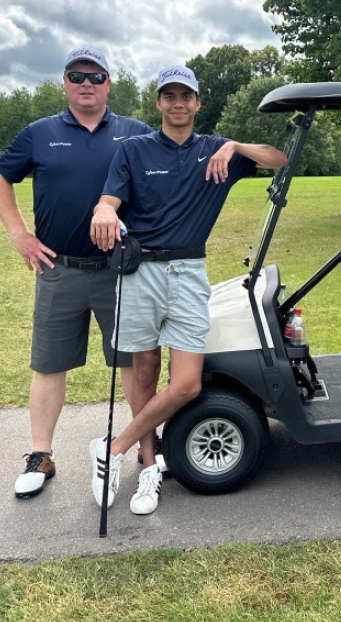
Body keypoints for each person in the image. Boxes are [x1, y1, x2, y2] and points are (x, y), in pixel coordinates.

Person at [88, 64, 287, 515]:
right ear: (158, 103)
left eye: (186, 96)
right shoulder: (134, 150)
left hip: (189, 271)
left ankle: (111, 449)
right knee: (143, 372)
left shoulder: (217, 151)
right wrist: (102, 210)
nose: (178, 104)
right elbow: (110, 199)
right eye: (169, 96)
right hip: (140, 273)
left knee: (186, 383)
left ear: (197, 103)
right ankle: (149, 467)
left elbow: (280, 158)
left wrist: (235, 145)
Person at [0, 47, 152, 499]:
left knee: (136, 365)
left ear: (108, 84)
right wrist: (20, 234)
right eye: (77, 75)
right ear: (64, 82)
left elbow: (166, 173)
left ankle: (146, 448)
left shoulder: (135, 134)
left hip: (120, 271)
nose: (86, 83)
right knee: (48, 365)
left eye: (95, 76)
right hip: (59, 269)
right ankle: (41, 455)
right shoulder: (39, 134)